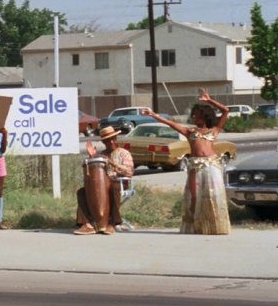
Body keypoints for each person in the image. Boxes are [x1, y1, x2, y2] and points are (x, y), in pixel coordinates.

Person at [141, 89, 231, 234]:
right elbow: (171, 123)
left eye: (197, 115)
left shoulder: (214, 130)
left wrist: (209, 100)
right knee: (194, 195)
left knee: (213, 194)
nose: (194, 117)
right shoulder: (190, 132)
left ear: (204, 116)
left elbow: (225, 111)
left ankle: (214, 225)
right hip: (195, 165)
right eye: (193, 115)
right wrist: (154, 115)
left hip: (212, 165)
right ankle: (196, 225)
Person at [74, 125, 134, 235]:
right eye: (106, 141)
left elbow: (129, 172)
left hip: (120, 183)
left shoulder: (124, 153)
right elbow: (96, 171)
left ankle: (112, 222)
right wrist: (92, 156)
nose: (110, 142)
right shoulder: (102, 155)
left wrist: (111, 163)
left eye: (111, 139)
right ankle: (87, 224)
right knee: (82, 191)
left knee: (113, 188)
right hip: (102, 184)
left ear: (115, 139)